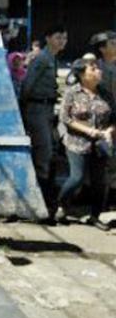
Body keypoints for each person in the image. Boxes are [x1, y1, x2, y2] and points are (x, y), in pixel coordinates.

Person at [55, 55, 113, 231]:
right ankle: (61, 205)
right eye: (93, 69)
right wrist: (88, 130)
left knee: (100, 182)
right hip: (76, 142)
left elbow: (114, 117)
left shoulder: (105, 93)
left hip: (101, 144)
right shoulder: (72, 92)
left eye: (97, 68)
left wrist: (109, 131)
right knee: (77, 177)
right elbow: (65, 117)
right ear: (82, 74)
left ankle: (95, 216)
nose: (98, 71)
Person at [20, 25, 67, 219]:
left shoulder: (52, 59)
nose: (62, 41)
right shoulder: (41, 58)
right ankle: (41, 204)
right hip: (37, 108)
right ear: (48, 38)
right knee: (43, 153)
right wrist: (24, 112)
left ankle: (47, 202)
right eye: (58, 37)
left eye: (64, 38)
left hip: (47, 109)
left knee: (50, 153)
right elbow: (28, 85)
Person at [90, 30, 116, 207]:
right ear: (102, 48)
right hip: (101, 119)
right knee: (101, 160)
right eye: (113, 43)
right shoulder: (94, 68)